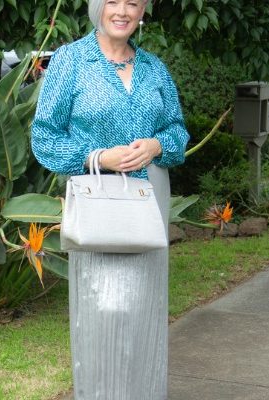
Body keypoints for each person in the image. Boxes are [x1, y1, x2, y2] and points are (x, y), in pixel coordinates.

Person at [30, 0, 189, 398]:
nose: (122, 11)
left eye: (132, 3)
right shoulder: (71, 60)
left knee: (145, 317)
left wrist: (156, 145)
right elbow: (44, 137)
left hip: (149, 198)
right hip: (100, 199)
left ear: (143, 11)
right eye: (112, 1)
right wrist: (97, 157)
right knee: (104, 314)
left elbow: (178, 134)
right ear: (97, 7)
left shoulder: (155, 69)